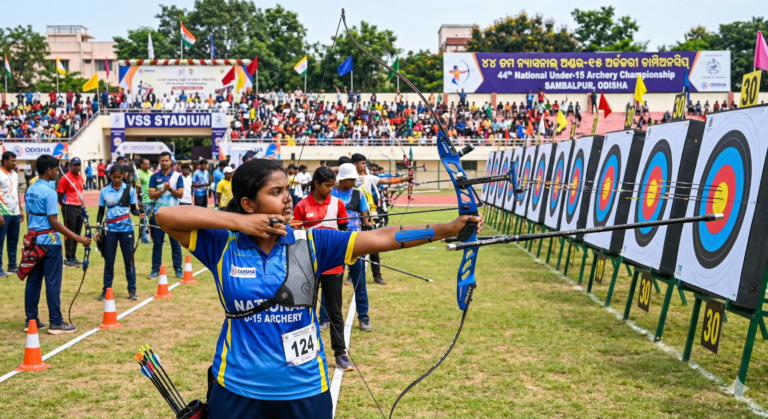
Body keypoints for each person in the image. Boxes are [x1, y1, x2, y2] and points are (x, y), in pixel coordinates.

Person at [153, 158, 484, 418]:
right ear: (248, 203)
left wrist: (449, 228)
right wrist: (239, 222)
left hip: (305, 389)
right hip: (237, 388)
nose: (288, 199)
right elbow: (165, 215)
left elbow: (383, 237)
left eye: (287, 190)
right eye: (276, 192)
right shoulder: (221, 244)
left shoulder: (312, 241)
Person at [291, 166, 354, 371]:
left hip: (333, 265)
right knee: (304, 310)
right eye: (327, 185)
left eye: (332, 185)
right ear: (316, 184)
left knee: (335, 310)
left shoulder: (337, 204)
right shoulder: (301, 205)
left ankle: (340, 354)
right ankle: (304, 354)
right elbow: (295, 236)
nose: (331, 189)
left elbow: (345, 232)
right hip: (307, 264)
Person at [25, 155, 92, 334]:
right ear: (49, 171)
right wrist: (77, 238)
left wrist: (30, 239)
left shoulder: (30, 189)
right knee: (53, 283)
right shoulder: (50, 192)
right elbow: (54, 222)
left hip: (33, 241)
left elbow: (31, 218)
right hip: (50, 242)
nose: (57, 172)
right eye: (56, 169)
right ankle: (56, 322)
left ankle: (31, 319)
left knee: (33, 281)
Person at [96, 164, 144, 300]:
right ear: (110, 176)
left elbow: (134, 209)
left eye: (119, 177)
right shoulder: (104, 191)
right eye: (114, 177)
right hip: (109, 230)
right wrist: (99, 228)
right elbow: (100, 212)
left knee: (129, 261)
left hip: (126, 229)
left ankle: (132, 290)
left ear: (124, 176)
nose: (117, 180)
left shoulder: (129, 190)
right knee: (109, 261)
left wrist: (138, 213)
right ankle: (106, 290)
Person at [148, 151, 184, 279]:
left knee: (175, 243)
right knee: (157, 243)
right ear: (159, 161)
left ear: (170, 162)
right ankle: (155, 269)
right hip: (158, 215)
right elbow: (151, 195)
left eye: (166, 160)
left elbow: (180, 195)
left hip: (174, 215)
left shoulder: (177, 176)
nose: (164, 162)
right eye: (162, 160)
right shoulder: (154, 177)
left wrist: (169, 189)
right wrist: (163, 190)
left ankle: (178, 268)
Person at [57, 157, 86, 268]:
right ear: (70, 166)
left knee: (77, 233)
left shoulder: (80, 177)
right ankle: (68, 258)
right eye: (75, 165)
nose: (77, 167)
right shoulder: (65, 178)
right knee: (69, 233)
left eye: (79, 164)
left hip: (79, 207)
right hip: (69, 207)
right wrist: (63, 204)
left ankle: (73, 256)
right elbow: (59, 193)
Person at [0, 151, 24, 276]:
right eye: (12, 161)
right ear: (5, 161)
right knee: (0, 241)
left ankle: (12, 266)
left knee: (13, 240)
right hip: (3, 212)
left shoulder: (14, 174)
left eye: (15, 160)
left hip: (14, 212)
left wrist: (20, 209)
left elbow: (16, 192)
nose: (15, 163)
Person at [137, 158, 153, 245]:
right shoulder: (139, 175)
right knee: (144, 220)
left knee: (152, 220)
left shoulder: (151, 173)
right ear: (141, 165)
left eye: (148, 164)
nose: (147, 166)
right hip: (144, 201)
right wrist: (139, 201)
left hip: (152, 200)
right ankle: (143, 238)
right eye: (145, 164)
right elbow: (137, 189)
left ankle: (153, 237)